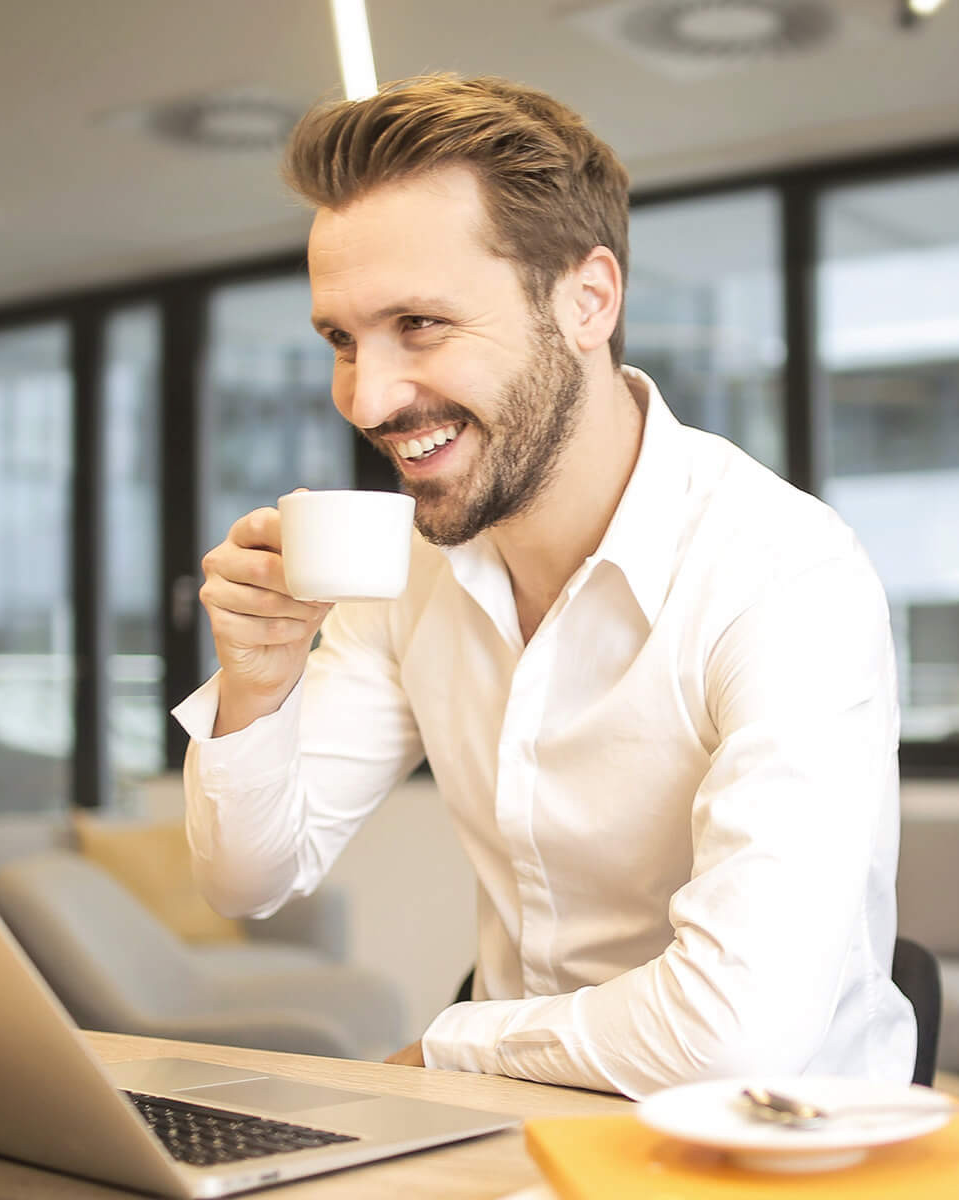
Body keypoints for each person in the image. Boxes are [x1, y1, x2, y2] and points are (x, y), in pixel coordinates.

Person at [173, 74, 912, 1098]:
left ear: (587, 300)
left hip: (768, 1147)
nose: (368, 398)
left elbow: (735, 1034)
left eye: (420, 324)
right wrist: (257, 682)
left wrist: (448, 1044)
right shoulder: (415, 573)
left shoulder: (784, 574)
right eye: (342, 340)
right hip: (514, 1135)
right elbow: (248, 878)